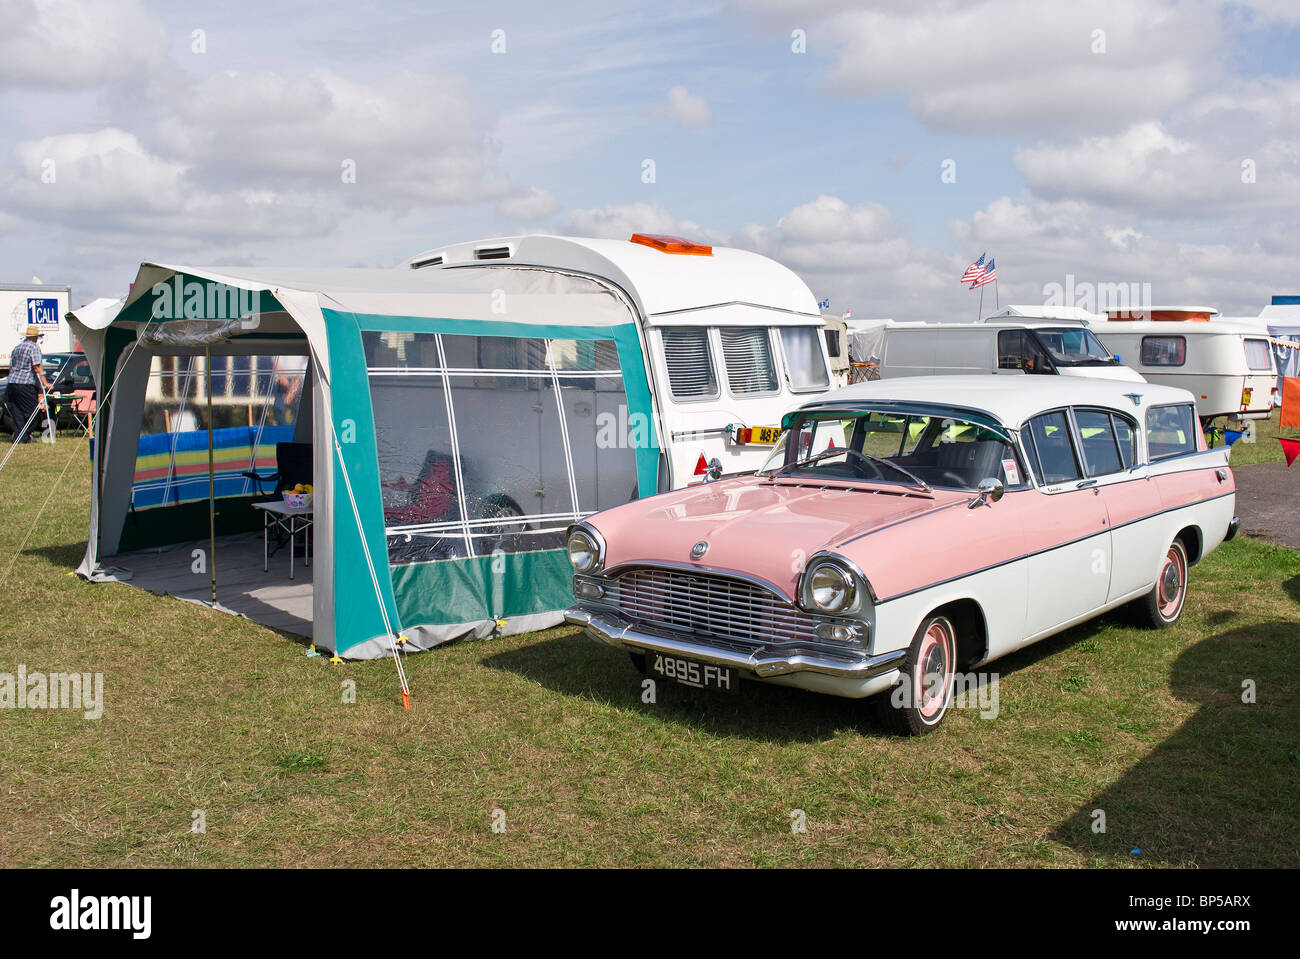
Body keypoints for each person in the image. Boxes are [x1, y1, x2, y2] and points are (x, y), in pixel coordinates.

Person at [7, 325, 53, 443]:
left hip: (12, 383)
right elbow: (37, 366)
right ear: (35, 337)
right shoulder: (34, 347)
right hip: (26, 384)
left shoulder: (17, 348)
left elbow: (10, 367)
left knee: (17, 412)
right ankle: (24, 436)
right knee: (33, 412)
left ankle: (20, 437)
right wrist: (45, 382)